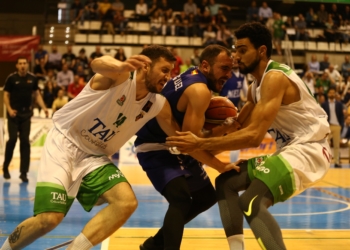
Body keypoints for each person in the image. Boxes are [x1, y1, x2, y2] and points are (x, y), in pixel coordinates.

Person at [167, 22, 331, 250]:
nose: (236, 56)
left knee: (251, 201)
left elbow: (253, 136)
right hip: (291, 150)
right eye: (235, 49)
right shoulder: (255, 87)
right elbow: (236, 127)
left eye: (242, 50)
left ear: (262, 51)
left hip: (310, 149)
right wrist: (194, 150)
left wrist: (200, 142)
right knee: (226, 181)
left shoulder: (275, 77)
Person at [0, 45, 181, 250]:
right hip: (65, 142)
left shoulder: (157, 103)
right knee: (49, 220)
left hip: (95, 157)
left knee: (126, 202)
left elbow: (180, 135)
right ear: (146, 66)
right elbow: (97, 63)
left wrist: (216, 130)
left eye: (171, 72)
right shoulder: (120, 78)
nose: (169, 76)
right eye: (165, 70)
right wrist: (120, 64)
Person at [136, 44, 237, 250]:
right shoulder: (200, 90)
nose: (229, 74)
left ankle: (154, 244)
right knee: (180, 199)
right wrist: (220, 164)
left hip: (174, 142)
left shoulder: (192, 74)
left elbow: (191, 141)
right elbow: (189, 146)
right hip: (155, 144)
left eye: (230, 68)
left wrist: (223, 130)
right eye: (224, 68)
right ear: (206, 66)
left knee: (206, 197)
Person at [2, 57, 48, 182]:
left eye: (24, 63)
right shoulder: (11, 79)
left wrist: (44, 108)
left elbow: (37, 94)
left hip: (26, 115)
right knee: (11, 140)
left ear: (27, 65)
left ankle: (24, 173)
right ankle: (5, 167)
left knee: (25, 142)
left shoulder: (33, 79)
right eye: (20, 63)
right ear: (17, 65)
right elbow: (5, 95)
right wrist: (10, 109)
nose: (22, 65)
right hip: (13, 115)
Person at [321, 87, 344, 168]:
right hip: (328, 126)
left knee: (336, 145)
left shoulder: (339, 104)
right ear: (328, 94)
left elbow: (341, 116)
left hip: (337, 126)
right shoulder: (324, 104)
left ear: (335, 94)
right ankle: (326, 163)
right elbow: (322, 116)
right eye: (330, 92)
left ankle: (337, 162)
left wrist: (341, 125)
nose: (332, 94)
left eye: (333, 93)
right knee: (326, 145)